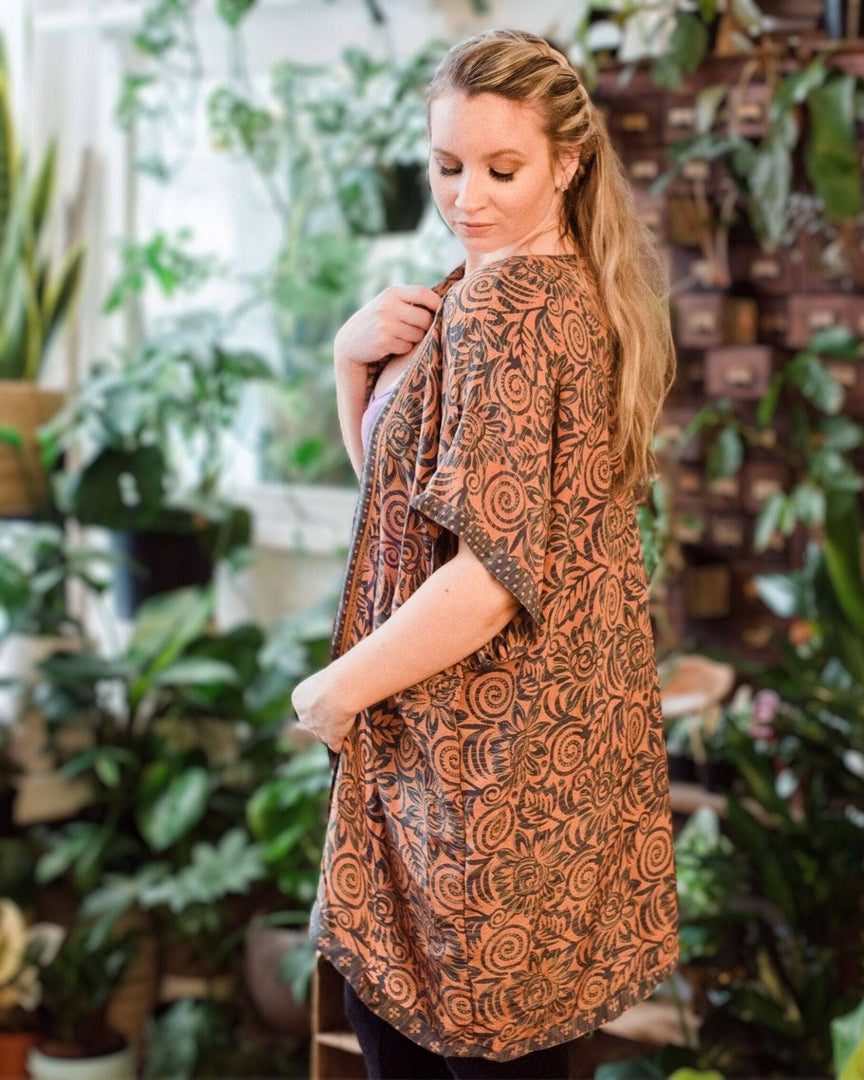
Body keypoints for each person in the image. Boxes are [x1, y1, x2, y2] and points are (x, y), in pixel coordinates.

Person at [294, 27, 680, 1079]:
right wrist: (351, 359)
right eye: (448, 165)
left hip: (473, 787)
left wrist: (333, 691)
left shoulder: (506, 311)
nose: (467, 197)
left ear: (568, 162)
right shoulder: (549, 292)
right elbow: (413, 503)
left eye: (502, 169)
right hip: (522, 781)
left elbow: (486, 580)